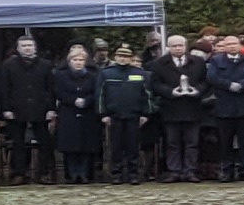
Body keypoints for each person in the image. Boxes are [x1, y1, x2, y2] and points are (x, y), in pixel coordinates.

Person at [150, 34, 208, 181]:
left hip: (192, 108)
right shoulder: (159, 63)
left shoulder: (198, 62)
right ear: (168, 47)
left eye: (180, 45)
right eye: (174, 46)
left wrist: (198, 91)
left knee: (192, 142)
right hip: (171, 108)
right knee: (172, 142)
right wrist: (170, 92)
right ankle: (174, 171)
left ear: (185, 46)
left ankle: (190, 171)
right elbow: (155, 84)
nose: (177, 48)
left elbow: (206, 81)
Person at [206, 36, 244, 181]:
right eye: (228, 44)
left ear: (240, 45)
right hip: (224, 106)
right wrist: (229, 85)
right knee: (225, 141)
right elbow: (212, 77)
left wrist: (242, 85)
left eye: (234, 43)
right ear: (224, 47)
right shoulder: (216, 60)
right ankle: (227, 170)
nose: (232, 46)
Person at [0, 35, 54, 184]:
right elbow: (4, 89)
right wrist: (6, 109)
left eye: (30, 45)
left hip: (40, 109)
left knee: (45, 143)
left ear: (35, 47)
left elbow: (51, 89)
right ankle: (18, 173)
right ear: (18, 48)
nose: (27, 48)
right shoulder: (8, 65)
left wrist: (51, 108)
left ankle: (44, 173)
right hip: (16, 109)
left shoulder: (46, 65)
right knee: (17, 143)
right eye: (24, 46)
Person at [98, 44, 151, 182]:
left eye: (126, 57)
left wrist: (146, 114)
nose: (123, 59)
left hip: (134, 115)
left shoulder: (139, 74)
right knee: (116, 147)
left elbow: (147, 95)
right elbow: (100, 95)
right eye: (120, 56)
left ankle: (133, 174)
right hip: (114, 116)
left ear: (131, 58)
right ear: (115, 57)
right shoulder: (106, 73)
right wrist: (103, 114)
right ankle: (116, 174)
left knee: (133, 146)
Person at [51, 44, 103, 182]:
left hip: (88, 113)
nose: (78, 62)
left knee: (87, 145)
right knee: (70, 146)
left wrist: (86, 101)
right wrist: (73, 100)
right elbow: (58, 92)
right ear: (69, 61)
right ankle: (72, 174)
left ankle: (85, 174)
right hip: (68, 112)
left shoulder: (93, 76)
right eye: (75, 60)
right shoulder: (60, 76)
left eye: (81, 60)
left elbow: (97, 92)